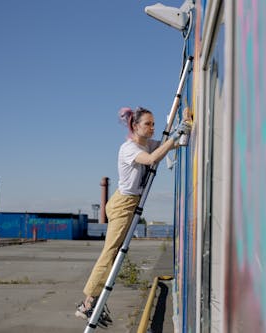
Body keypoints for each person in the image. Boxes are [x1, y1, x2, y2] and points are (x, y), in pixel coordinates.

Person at [75, 106, 192, 324]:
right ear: (135, 126)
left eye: (154, 124)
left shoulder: (146, 144)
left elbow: (170, 145)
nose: (152, 128)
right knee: (110, 252)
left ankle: (93, 300)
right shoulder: (129, 148)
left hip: (129, 203)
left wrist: (182, 127)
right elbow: (152, 159)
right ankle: (87, 304)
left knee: (116, 252)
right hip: (123, 204)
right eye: (148, 124)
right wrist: (175, 134)